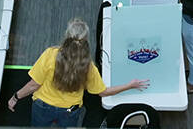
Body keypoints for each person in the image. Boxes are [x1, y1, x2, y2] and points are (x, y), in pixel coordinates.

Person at [8, 18, 148, 125]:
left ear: (67, 36)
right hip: (70, 111)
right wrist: (130, 85)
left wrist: (15, 97)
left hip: (43, 106)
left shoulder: (50, 54)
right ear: (86, 39)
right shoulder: (89, 66)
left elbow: (33, 85)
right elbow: (103, 92)